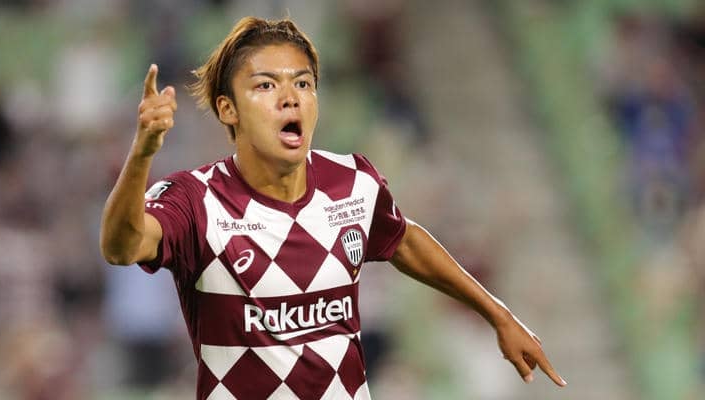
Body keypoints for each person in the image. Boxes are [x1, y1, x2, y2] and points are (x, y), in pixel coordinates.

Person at [100, 16, 566, 399]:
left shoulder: (353, 182)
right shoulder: (197, 199)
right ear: (228, 109)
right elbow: (122, 247)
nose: (290, 97)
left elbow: (403, 239)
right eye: (266, 85)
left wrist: (497, 314)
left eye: (303, 83)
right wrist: (142, 154)